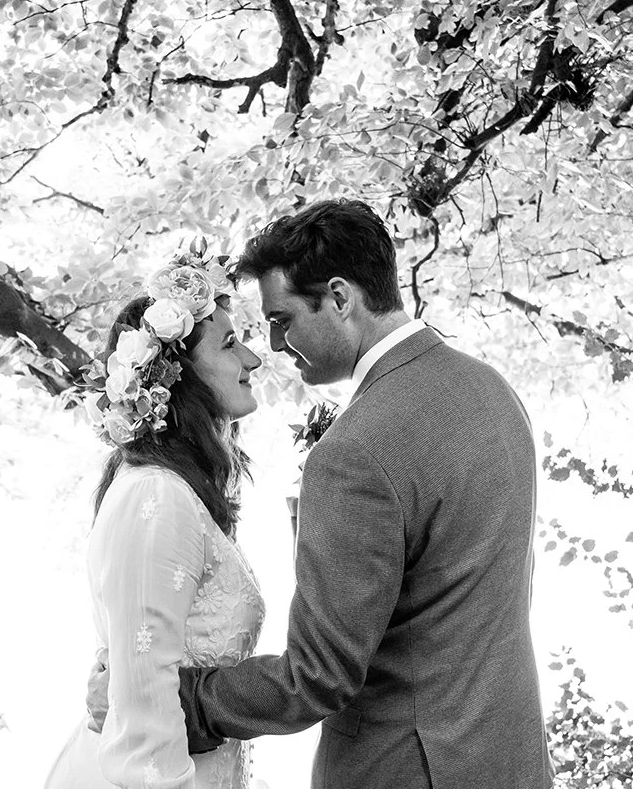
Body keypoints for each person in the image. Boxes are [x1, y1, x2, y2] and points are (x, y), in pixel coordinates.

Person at [92, 199, 555, 788]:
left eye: (282, 319)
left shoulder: (356, 448)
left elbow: (319, 674)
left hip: (406, 771)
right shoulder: (493, 391)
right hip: (511, 760)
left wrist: (169, 699)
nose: (275, 347)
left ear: (340, 298)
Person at [45, 248, 267, 789]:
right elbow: (144, 717)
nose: (254, 361)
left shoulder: (182, 495)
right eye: (231, 344)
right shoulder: (156, 498)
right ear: (181, 375)